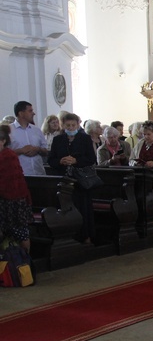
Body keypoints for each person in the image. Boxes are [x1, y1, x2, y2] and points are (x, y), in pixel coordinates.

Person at [48, 112, 97, 243]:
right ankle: (68, 237)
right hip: (64, 180)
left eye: (73, 125)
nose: (70, 128)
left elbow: (91, 159)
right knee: (66, 207)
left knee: (82, 208)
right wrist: (61, 161)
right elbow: (51, 160)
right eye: (68, 125)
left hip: (80, 180)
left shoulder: (85, 138)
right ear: (63, 125)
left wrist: (76, 161)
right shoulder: (58, 140)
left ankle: (85, 235)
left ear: (77, 125)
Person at [0, 124, 33, 253]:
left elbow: (8, 181)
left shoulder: (8, 156)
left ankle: (25, 263)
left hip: (14, 201)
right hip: (3, 200)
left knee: (20, 232)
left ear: (3, 141)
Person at [10, 101, 47, 175]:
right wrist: (21, 151)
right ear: (21, 113)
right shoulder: (8, 130)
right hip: (19, 174)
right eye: (30, 111)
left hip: (38, 173)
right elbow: (3, 153)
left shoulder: (36, 130)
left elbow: (46, 151)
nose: (33, 113)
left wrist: (37, 149)